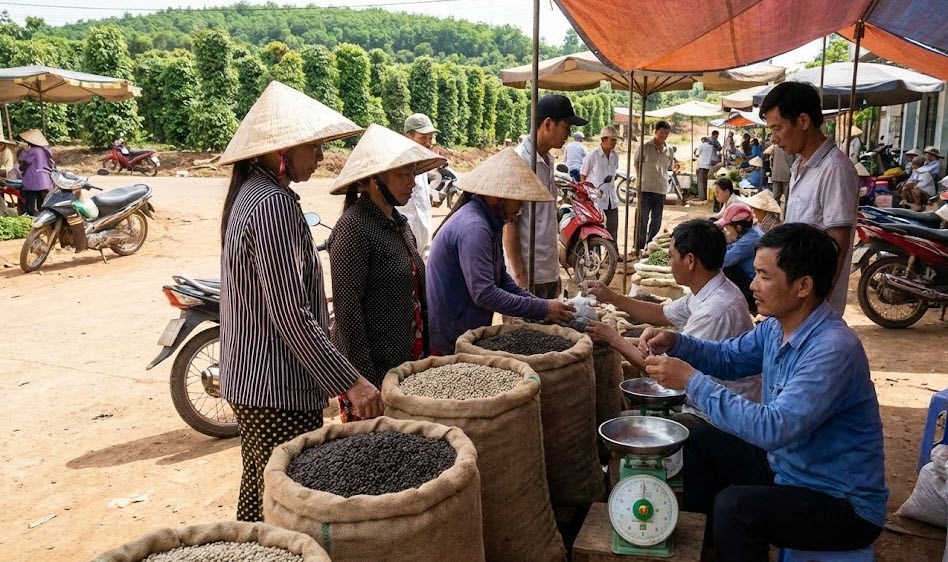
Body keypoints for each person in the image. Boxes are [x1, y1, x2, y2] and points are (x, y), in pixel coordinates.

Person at [639, 223, 887, 561]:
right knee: (693, 431)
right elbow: (729, 357)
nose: (752, 285)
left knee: (736, 508)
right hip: (786, 470)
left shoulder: (833, 350)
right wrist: (678, 342)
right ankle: (704, 546)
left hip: (840, 503)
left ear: (803, 286)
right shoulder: (775, 327)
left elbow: (773, 428)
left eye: (763, 276)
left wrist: (691, 380)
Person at [217, 81, 383, 522]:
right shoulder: (270, 205)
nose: (322, 158)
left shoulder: (256, 195)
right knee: (286, 506)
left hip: (260, 382)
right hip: (274, 387)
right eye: (315, 148)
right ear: (282, 152)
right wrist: (351, 382)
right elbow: (290, 312)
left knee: (262, 492)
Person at [328, 124, 446, 418]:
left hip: (405, 365)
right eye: (403, 175)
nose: (413, 183)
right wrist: (365, 382)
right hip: (374, 379)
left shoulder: (398, 223)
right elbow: (348, 313)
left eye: (413, 174)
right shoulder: (353, 228)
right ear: (373, 180)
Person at [428, 148, 575, 354]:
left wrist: (539, 304)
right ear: (499, 199)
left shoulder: (491, 221)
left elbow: (501, 278)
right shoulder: (475, 228)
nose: (521, 206)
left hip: (468, 326)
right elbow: (485, 293)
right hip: (452, 333)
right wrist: (541, 308)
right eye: (518, 199)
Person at [581, 219, 753, 376]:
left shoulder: (715, 310)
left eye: (671, 256)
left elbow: (664, 369)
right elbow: (661, 313)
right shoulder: (707, 289)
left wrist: (614, 338)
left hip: (713, 407)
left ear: (690, 261)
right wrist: (611, 297)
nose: (669, 263)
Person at [761, 81, 858, 316]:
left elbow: (838, 242)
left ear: (803, 121)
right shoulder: (799, 166)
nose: (773, 138)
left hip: (813, 305)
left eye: (777, 128)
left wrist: (817, 303)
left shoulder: (835, 169)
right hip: (795, 299)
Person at [504, 94, 587, 298]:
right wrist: (519, 271)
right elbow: (509, 223)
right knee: (524, 328)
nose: (568, 134)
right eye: (566, 127)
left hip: (548, 271)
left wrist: (557, 251)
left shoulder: (548, 160)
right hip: (528, 275)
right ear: (548, 124)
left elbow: (545, 215)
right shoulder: (521, 162)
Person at [396, 113, 439, 255]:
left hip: (423, 238)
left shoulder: (422, 163)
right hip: (402, 239)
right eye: (423, 138)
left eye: (430, 138)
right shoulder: (396, 164)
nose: (428, 142)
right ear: (408, 136)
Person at [716, 203, 764, 314]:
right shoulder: (749, 233)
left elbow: (725, 260)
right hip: (748, 279)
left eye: (727, 226)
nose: (725, 229)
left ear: (738, 226)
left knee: (725, 269)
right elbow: (730, 248)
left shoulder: (752, 238)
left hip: (753, 284)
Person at [634, 120, 673, 250]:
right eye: (662, 132)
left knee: (656, 221)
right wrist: (641, 179)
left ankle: (649, 246)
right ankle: (639, 247)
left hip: (661, 190)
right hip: (645, 189)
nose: (664, 135)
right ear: (656, 132)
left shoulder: (669, 150)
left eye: (667, 133)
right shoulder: (645, 147)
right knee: (642, 220)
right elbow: (636, 163)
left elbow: (669, 167)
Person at [580, 126, 620, 245]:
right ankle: (595, 257)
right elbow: (583, 175)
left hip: (611, 198)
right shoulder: (593, 156)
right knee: (596, 231)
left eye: (615, 140)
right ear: (603, 139)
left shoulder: (615, 156)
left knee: (612, 228)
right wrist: (586, 194)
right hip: (596, 200)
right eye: (612, 140)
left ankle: (612, 254)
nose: (614, 143)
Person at [17, 129, 53, 216]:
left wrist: (21, 167)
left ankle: (28, 217)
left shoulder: (33, 150)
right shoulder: (46, 150)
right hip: (44, 181)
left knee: (29, 202)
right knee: (43, 203)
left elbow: (25, 163)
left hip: (33, 181)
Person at [766, 142, 794, 211]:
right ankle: (786, 217)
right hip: (787, 175)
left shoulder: (775, 146)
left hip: (776, 174)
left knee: (776, 198)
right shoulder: (792, 146)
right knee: (788, 199)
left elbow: (769, 158)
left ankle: (775, 217)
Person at [694, 136, 716, 202]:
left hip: (701, 165)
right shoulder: (711, 147)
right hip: (707, 165)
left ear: (702, 140)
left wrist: (695, 152)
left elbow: (697, 154)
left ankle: (701, 197)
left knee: (700, 182)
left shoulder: (701, 146)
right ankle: (705, 196)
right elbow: (713, 157)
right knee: (705, 181)